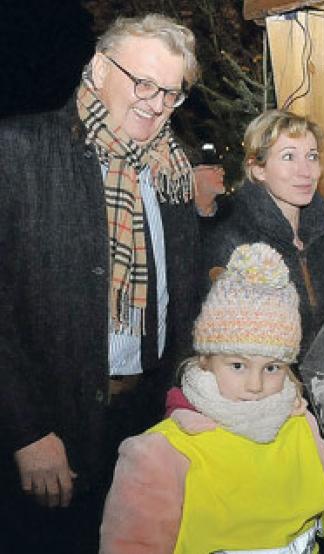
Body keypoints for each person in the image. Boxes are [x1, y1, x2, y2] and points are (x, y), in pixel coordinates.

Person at [0, 13, 202, 551]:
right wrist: (26, 432)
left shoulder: (171, 170)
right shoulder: (20, 151)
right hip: (54, 424)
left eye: (171, 93)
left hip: (151, 419)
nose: (156, 103)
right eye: (143, 82)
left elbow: (182, 300)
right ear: (97, 68)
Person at [100, 243, 324, 552]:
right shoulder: (161, 454)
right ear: (205, 360)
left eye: (272, 367)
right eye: (238, 365)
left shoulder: (298, 425)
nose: (255, 385)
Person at [201, 109, 324, 357]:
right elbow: (222, 352)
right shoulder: (233, 244)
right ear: (258, 169)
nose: (305, 171)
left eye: (312, 156)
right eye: (288, 157)